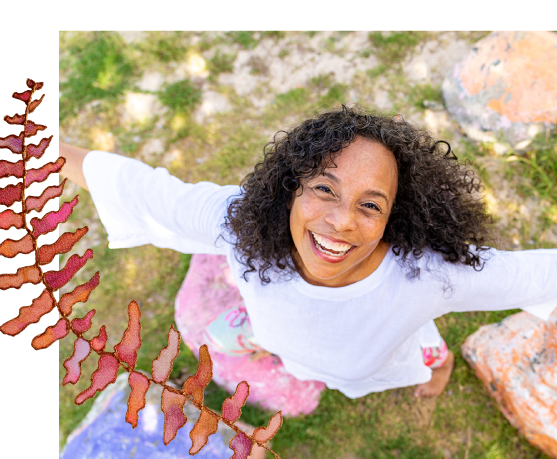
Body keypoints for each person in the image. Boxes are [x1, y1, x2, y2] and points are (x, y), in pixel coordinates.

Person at [59, 105, 556, 405]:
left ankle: (439, 367)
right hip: (291, 347)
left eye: (370, 205)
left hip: (380, 355)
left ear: (394, 220)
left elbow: (536, 274)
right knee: (238, 339)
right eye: (324, 188)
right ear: (290, 187)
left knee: (428, 354)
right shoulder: (238, 223)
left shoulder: (431, 277)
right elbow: (142, 189)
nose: (342, 221)